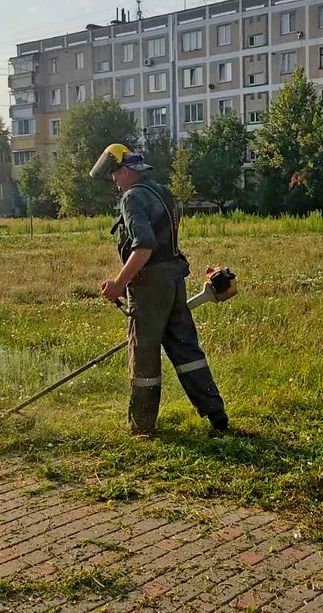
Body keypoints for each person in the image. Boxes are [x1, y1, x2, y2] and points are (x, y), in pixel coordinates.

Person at [89, 143, 229, 437]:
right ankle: (217, 418)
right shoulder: (162, 192)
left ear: (126, 171)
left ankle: (142, 426)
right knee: (187, 351)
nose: (113, 181)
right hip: (174, 281)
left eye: (114, 175)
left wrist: (118, 284)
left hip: (150, 286)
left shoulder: (132, 198)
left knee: (144, 355)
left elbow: (145, 246)